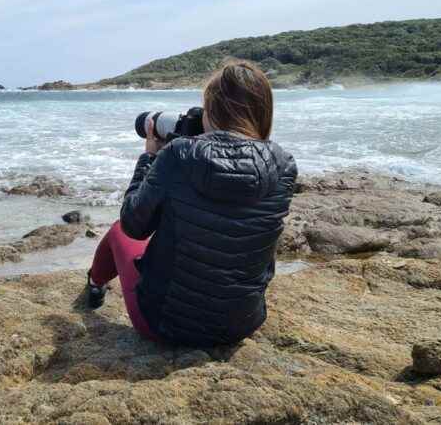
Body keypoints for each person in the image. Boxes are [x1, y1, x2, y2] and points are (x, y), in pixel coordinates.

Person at [87, 60, 298, 347]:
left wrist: (149, 158)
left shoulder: (178, 154)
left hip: (166, 325)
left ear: (210, 110)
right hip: (241, 325)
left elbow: (134, 225)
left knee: (117, 231)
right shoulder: (283, 165)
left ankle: (95, 285)